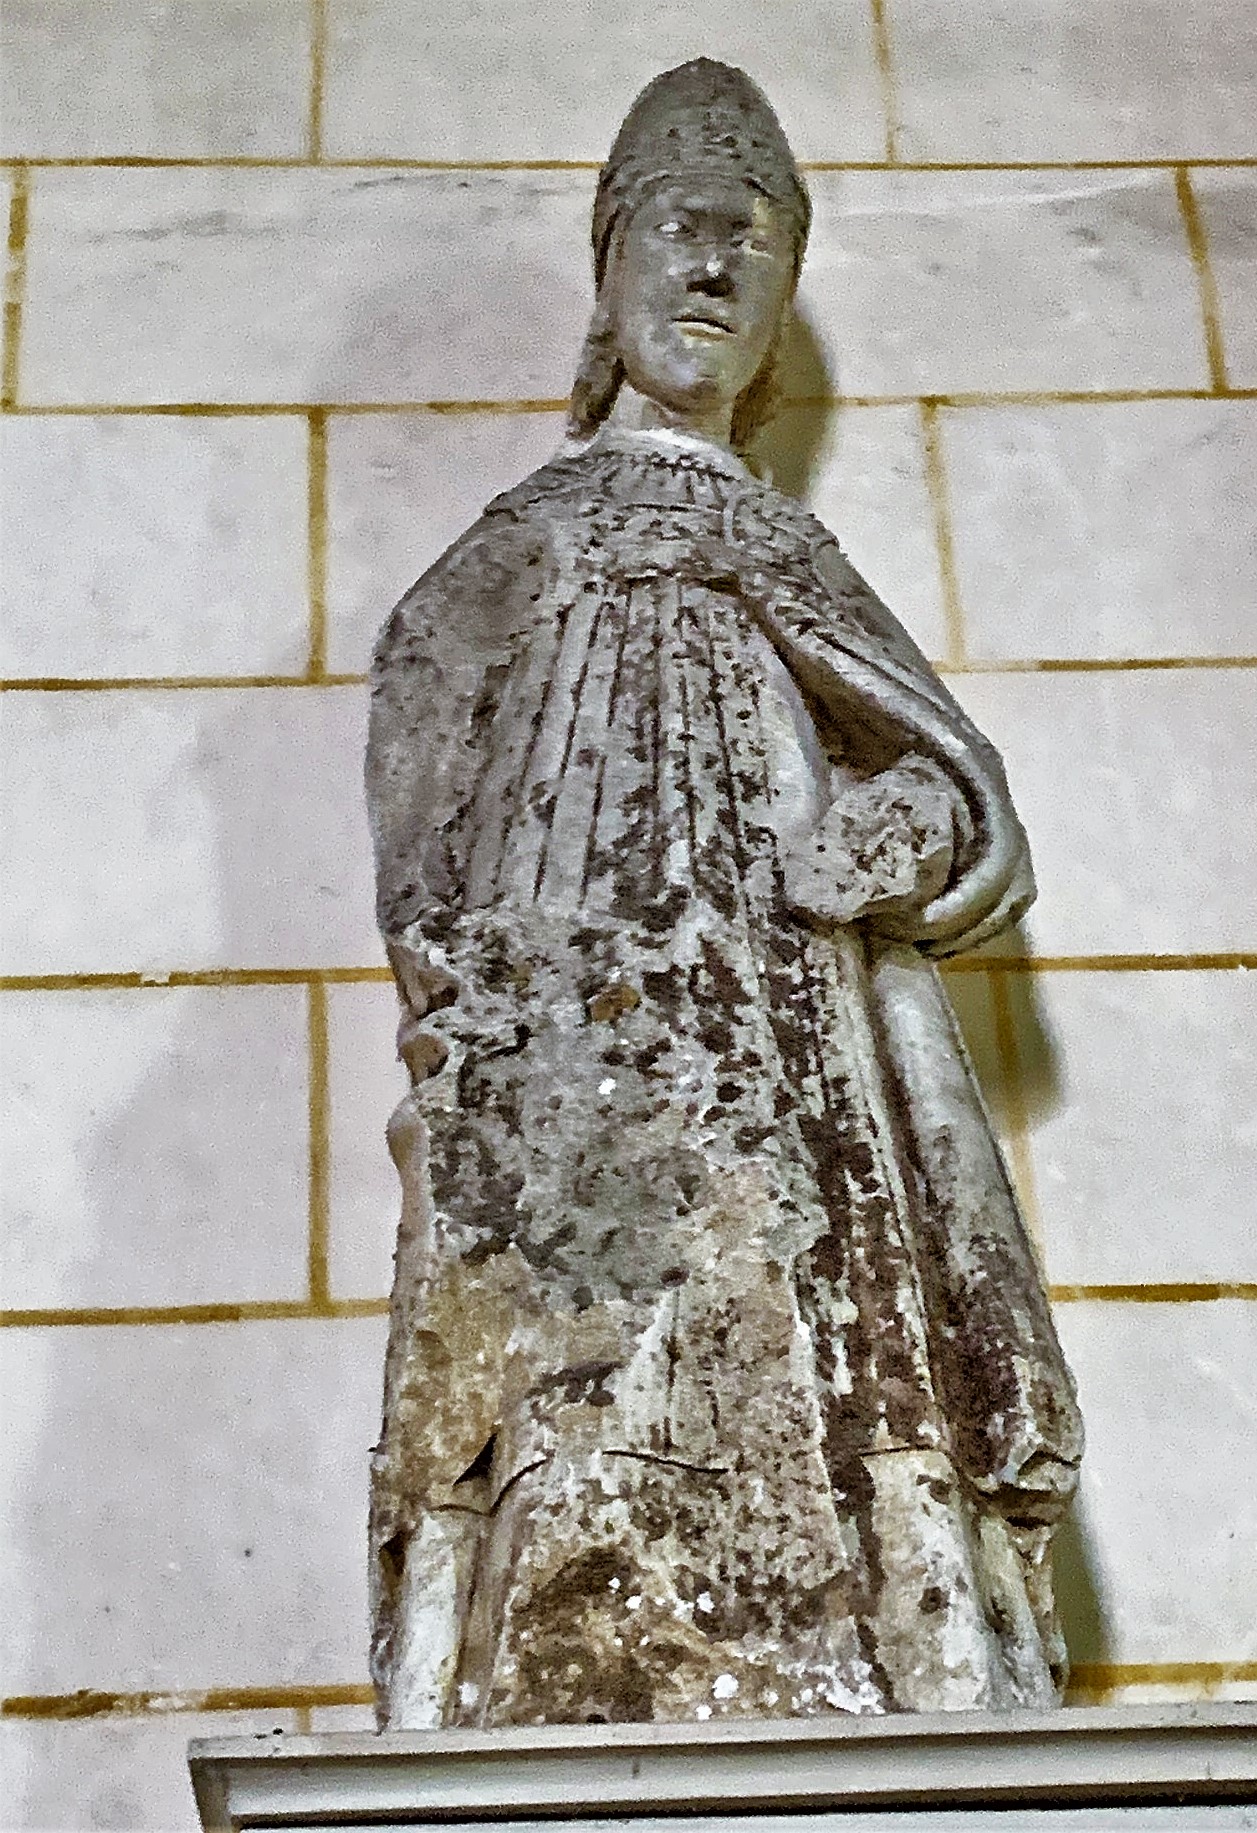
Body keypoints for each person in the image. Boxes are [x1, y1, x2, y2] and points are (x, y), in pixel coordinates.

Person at [365, 59, 1081, 1731]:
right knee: (577, 1345)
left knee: (823, 1308)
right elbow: (421, 770)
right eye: (681, 229)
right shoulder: (517, 546)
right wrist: (476, 995)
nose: (712, 267)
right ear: (610, 268)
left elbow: (956, 787)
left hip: (789, 1027)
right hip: (570, 1033)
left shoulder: (790, 555)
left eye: (753, 246)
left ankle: (885, 1638)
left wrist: (915, 822)